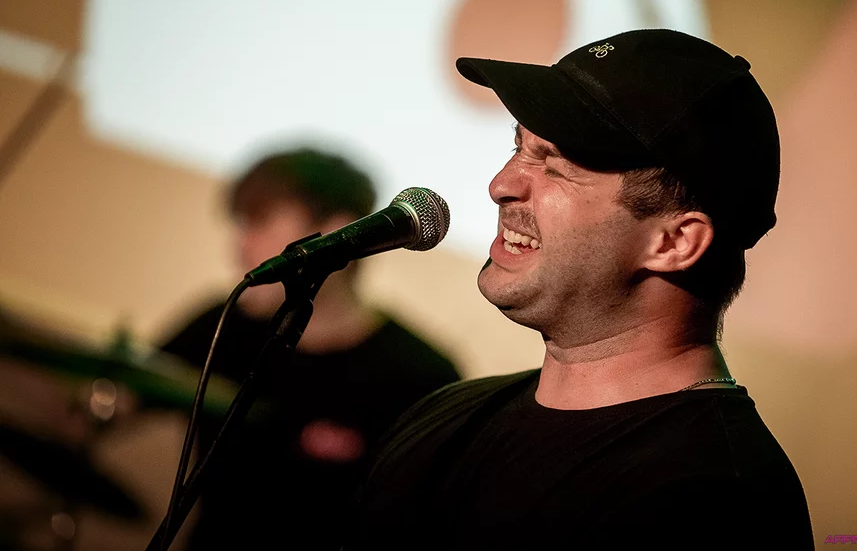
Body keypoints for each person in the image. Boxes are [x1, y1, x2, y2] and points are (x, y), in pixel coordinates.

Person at [346, 28, 814, 549]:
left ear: (675, 242)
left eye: (556, 165)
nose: (501, 185)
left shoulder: (712, 499)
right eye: (518, 147)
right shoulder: (444, 416)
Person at [156, 148, 461, 550]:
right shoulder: (225, 324)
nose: (240, 246)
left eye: (260, 223)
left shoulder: (421, 374)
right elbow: (124, 384)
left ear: (339, 232)